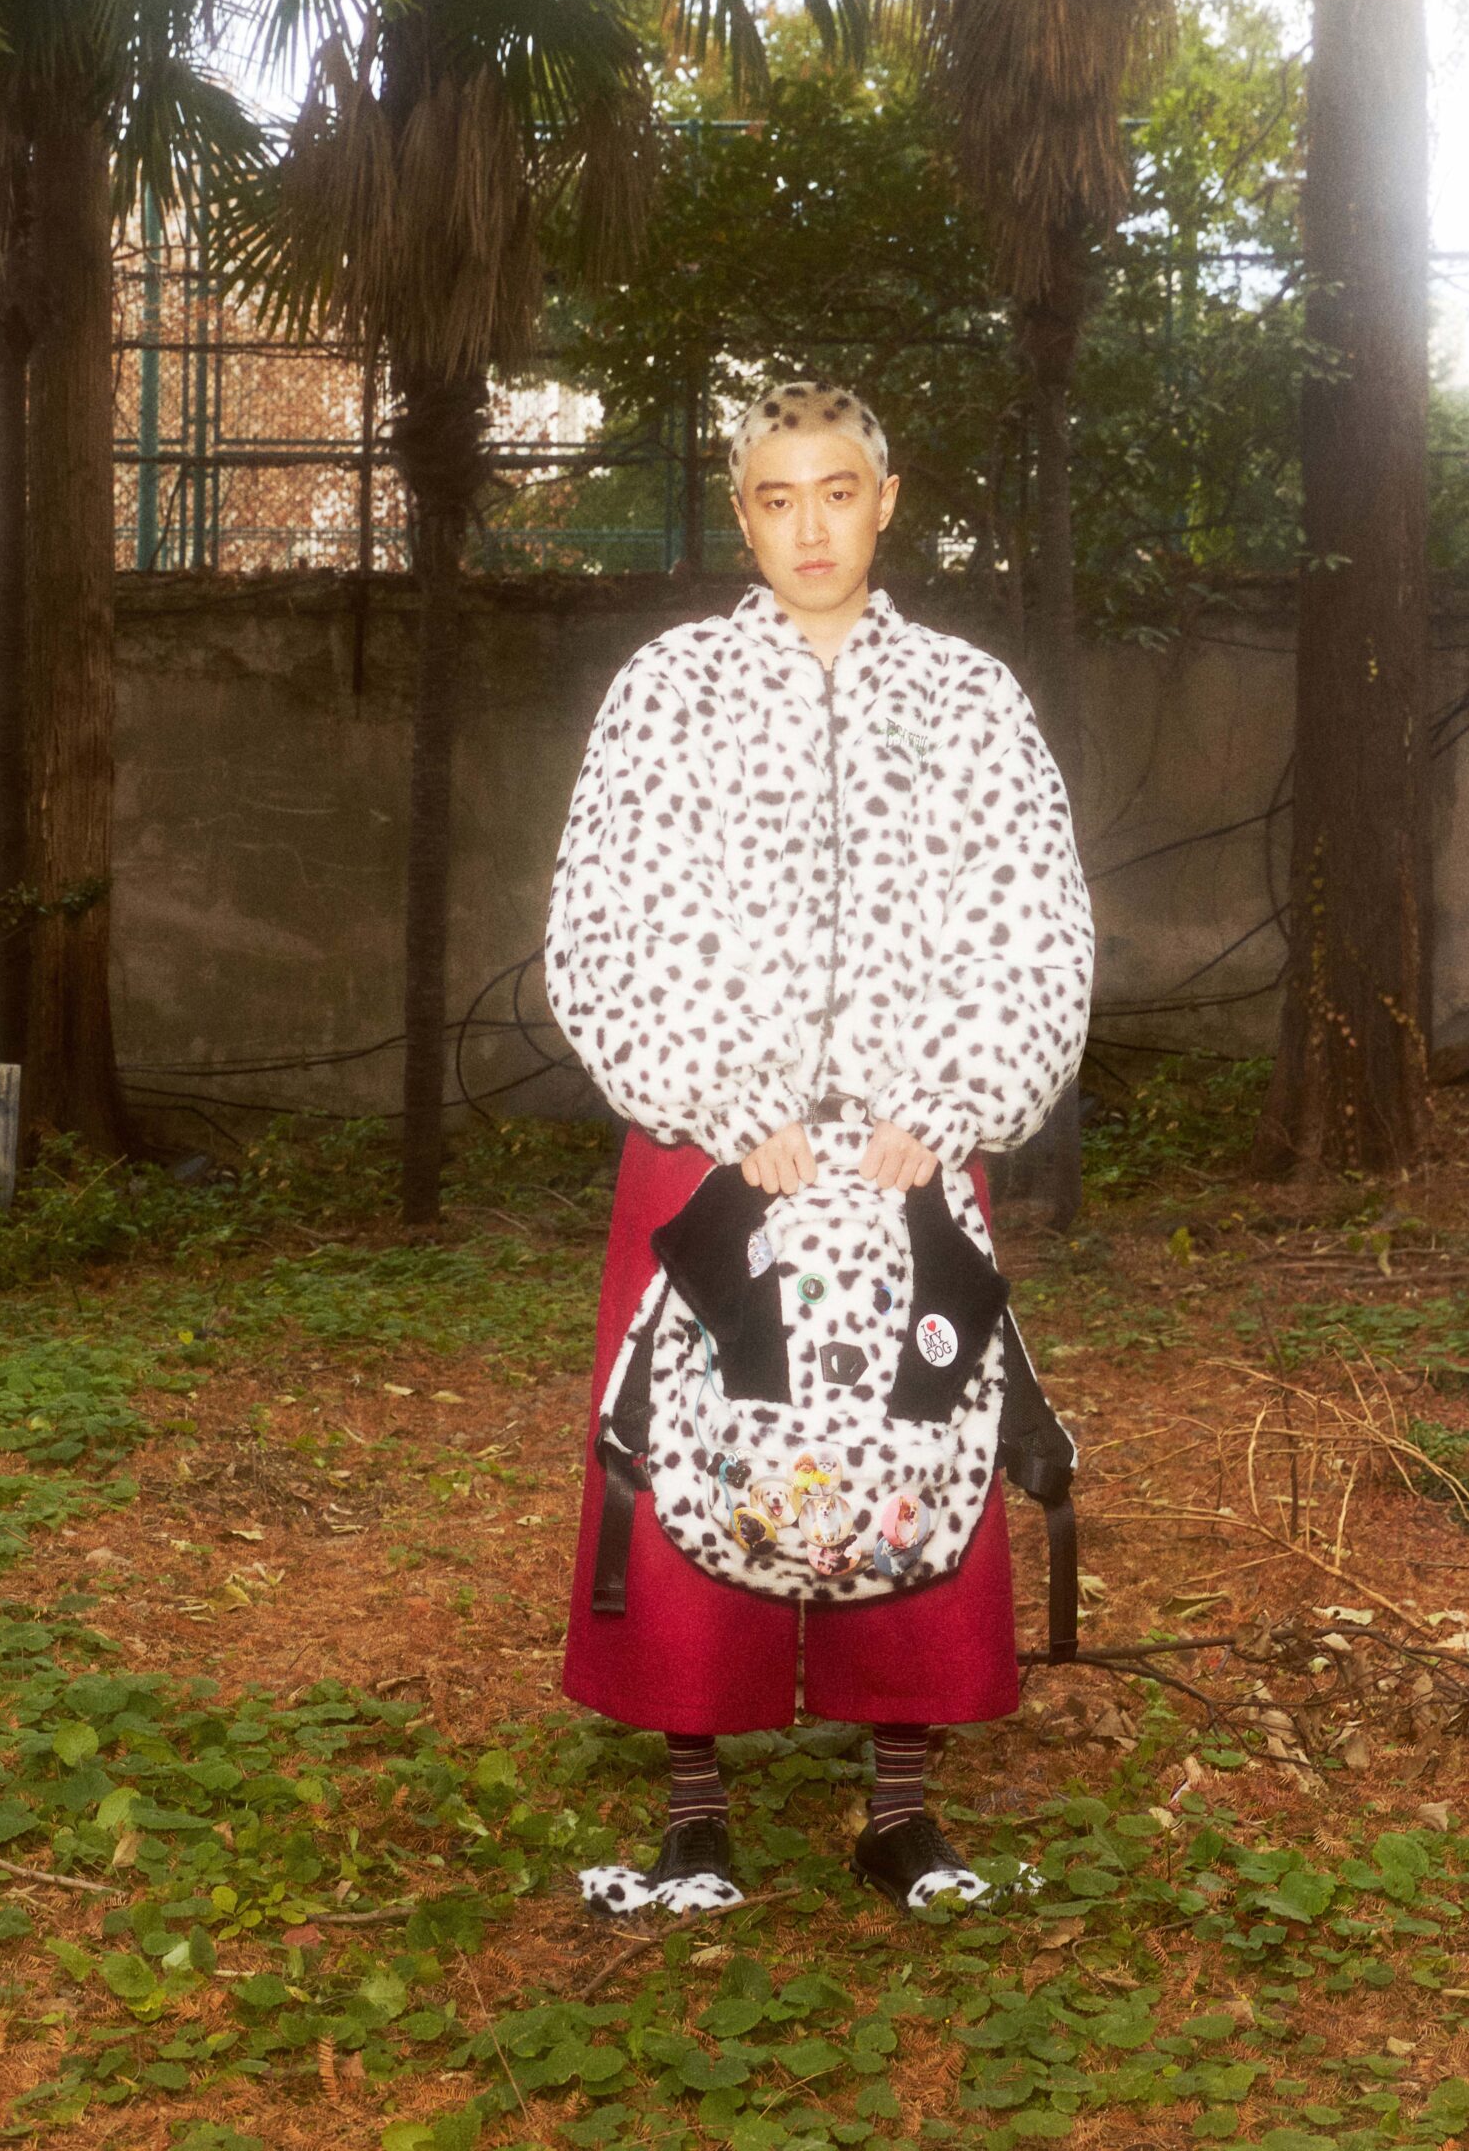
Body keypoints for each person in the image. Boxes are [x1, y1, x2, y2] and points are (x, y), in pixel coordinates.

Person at [544, 378, 1095, 1914]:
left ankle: (898, 1809)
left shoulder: (971, 700)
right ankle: (694, 1811)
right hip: (716, 1151)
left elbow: (1035, 919)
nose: (810, 527)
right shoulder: (668, 692)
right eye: (778, 498)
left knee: (923, 1442)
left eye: (837, 492)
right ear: (743, 514)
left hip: (906, 1157)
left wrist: (952, 1102)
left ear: (885, 501)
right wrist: (727, 1104)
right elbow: (602, 921)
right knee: (687, 1452)